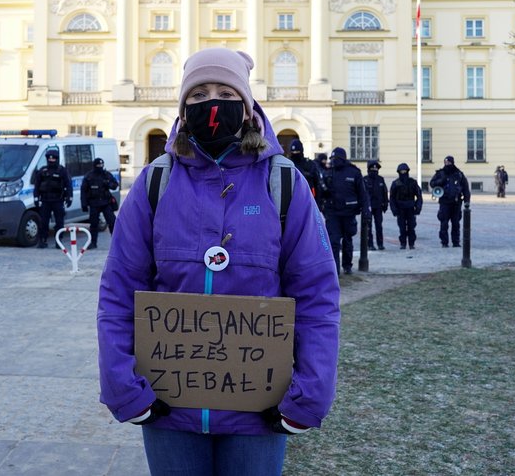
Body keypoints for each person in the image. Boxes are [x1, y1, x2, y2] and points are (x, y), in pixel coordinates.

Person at [97, 47, 340, 475]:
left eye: (225, 91)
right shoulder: (156, 181)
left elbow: (317, 295)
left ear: (246, 108)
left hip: (258, 414)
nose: (212, 102)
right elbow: (119, 291)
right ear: (184, 109)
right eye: (198, 94)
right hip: (169, 410)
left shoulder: (283, 182)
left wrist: (309, 395)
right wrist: (123, 387)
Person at [323, 146, 369, 275]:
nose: (334, 161)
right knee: (334, 243)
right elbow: (322, 192)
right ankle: (334, 270)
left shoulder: (354, 172)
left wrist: (366, 210)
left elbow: (363, 194)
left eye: (336, 158)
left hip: (349, 213)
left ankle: (347, 266)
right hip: (333, 213)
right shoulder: (328, 172)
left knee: (348, 241)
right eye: (332, 159)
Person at [31, 148, 72, 249]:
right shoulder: (42, 171)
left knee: (59, 222)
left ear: (57, 159)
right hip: (45, 200)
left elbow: (68, 184)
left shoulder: (62, 171)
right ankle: (43, 240)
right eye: (50, 159)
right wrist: (36, 198)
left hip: (58, 200)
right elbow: (37, 185)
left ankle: (59, 241)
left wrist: (69, 197)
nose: (51, 160)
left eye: (53, 159)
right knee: (44, 222)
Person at [429, 155, 470, 248]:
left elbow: (466, 188)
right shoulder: (440, 173)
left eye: (449, 162)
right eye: (446, 162)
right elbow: (432, 183)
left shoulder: (458, 174)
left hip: (456, 202)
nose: (447, 164)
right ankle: (444, 242)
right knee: (444, 223)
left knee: (456, 223)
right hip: (444, 202)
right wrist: (440, 181)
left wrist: (467, 201)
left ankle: (456, 242)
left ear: (452, 162)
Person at [81, 157, 118, 249]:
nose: (100, 167)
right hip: (94, 203)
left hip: (106, 203)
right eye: (98, 165)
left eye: (101, 165)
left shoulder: (106, 175)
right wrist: (84, 204)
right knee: (93, 224)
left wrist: (108, 183)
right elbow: (84, 191)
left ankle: (116, 243)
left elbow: (115, 185)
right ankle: (93, 243)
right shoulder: (89, 176)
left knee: (112, 222)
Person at [389, 162, 423, 249]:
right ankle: (403, 243)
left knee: (411, 227)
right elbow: (392, 198)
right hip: (400, 208)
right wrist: (394, 209)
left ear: (407, 171)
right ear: (399, 172)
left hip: (411, 208)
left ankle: (411, 243)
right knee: (402, 227)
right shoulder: (395, 183)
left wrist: (418, 207)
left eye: (404, 171)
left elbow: (419, 195)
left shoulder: (413, 182)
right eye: (401, 171)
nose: (403, 173)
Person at [288, 139, 325, 210]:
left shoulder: (310, 164)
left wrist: (318, 203)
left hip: (308, 200)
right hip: (291, 201)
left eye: (297, 152)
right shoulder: (287, 164)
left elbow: (317, 184)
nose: (295, 153)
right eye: (293, 152)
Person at [363, 160, 389, 250]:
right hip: (369, 207)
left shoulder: (380, 179)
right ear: (369, 169)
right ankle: (370, 244)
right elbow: (362, 194)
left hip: (378, 206)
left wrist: (385, 203)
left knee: (379, 226)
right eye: (372, 168)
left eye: (376, 169)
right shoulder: (365, 179)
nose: (374, 170)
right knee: (368, 227)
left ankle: (380, 244)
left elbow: (384, 192)